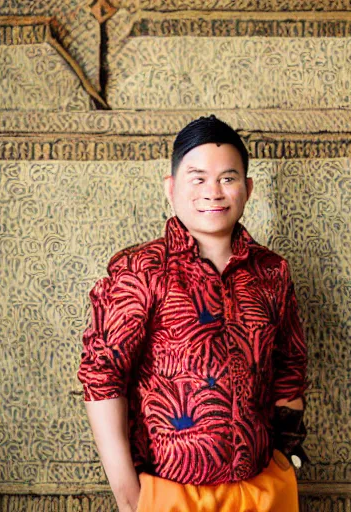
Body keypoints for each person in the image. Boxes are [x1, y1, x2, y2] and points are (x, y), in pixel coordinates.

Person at [77, 115, 308, 512]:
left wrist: (287, 459)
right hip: (169, 493)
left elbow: (290, 367)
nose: (213, 192)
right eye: (197, 178)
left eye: (228, 178)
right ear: (171, 188)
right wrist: (128, 494)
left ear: (247, 188)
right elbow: (102, 376)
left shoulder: (272, 272)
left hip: (262, 488)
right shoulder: (141, 270)